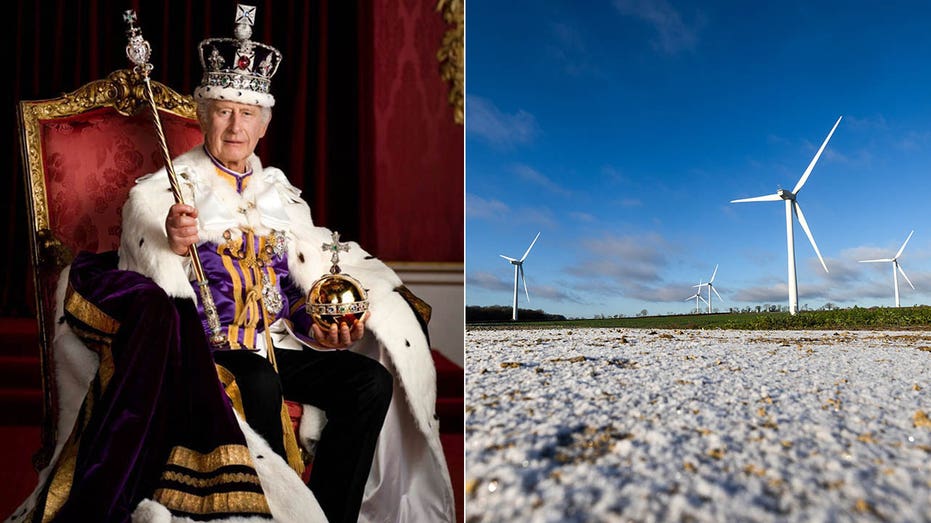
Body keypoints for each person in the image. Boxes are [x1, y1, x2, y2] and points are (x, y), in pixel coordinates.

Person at [7, 5, 455, 523]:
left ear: (263, 124)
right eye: (223, 111)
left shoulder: (282, 198)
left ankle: (326, 514)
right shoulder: (162, 195)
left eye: (246, 114)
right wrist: (170, 241)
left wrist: (324, 327)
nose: (235, 125)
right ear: (203, 117)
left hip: (271, 344)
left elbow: (292, 293)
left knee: (366, 382)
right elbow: (140, 278)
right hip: (202, 351)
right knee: (260, 382)